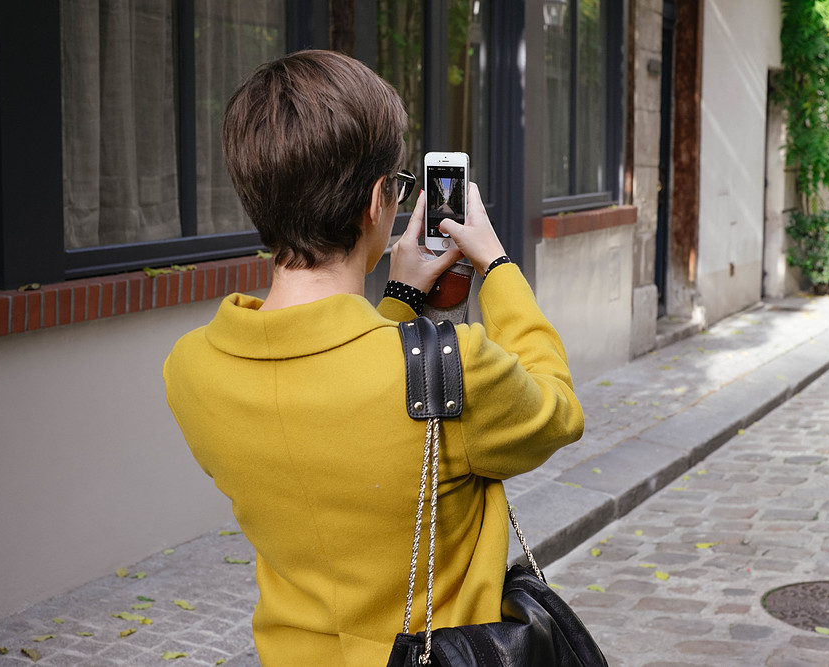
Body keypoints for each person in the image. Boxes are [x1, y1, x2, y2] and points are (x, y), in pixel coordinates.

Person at [163, 50, 584, 666]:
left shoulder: (193, 368)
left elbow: (334, 400)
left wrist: (401, 297)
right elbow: (560, 410)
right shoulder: (458, 369)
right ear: (379, 199)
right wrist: (497, 267)